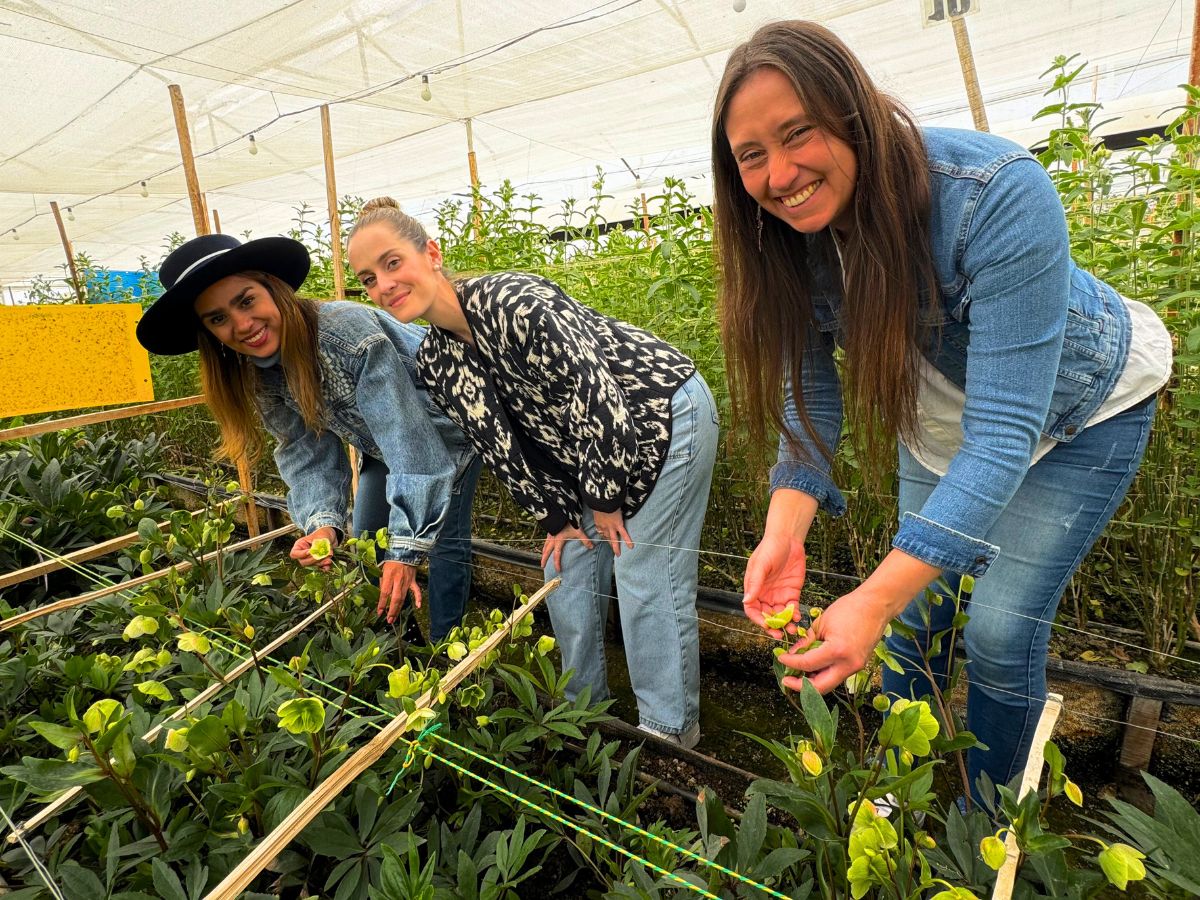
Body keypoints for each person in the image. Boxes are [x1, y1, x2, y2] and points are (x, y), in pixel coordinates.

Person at [712, 21, 1170, 799]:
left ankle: (990, 820)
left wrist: (869, 600)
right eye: (751, 154)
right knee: (913, 623)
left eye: (798, 134)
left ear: (851, 116)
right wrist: (782, 533)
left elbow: (1001, 437)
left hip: (1081, 411)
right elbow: (810, 391)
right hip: (938, 417)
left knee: (996, 631)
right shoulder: (784, 236)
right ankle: (902, 791)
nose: (779, 173)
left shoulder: (993, 193)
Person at [346, 198, 719, 747]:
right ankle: (580, 720)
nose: (383, 284)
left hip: (659, 414)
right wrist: (554, 516)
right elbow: (498, 447)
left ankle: (668, 740)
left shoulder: (517, 302)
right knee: (564, 566)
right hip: (587, 448)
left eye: (392, 263)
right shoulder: (437, 360)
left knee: (642, 574)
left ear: (431, 253)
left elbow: (598, 399)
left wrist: (603, 502)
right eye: (368, 279)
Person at [134, 233, 482, 641]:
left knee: (439, 542)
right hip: (383, 445)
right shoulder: (260, 371)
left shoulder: (344, 332)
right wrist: (321, 525)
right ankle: (400, 648)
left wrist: (406, 551)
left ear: (272, 288)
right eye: (217, 318)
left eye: (246, 301)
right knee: (369, 544)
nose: (242, 325)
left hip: (448, 435)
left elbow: (414, 448)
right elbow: (304, 449)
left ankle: (448, 652)